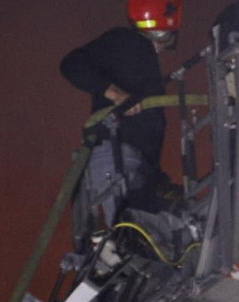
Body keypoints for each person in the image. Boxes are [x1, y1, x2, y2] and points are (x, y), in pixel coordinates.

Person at [60, 0, 183, 232]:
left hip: (138, 165)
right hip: (116, 156)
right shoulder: (124, 40)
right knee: (129, 236)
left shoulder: (143, 63)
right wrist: (116, 95)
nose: (164, 47)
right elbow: (72, 64)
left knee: (147, 235)